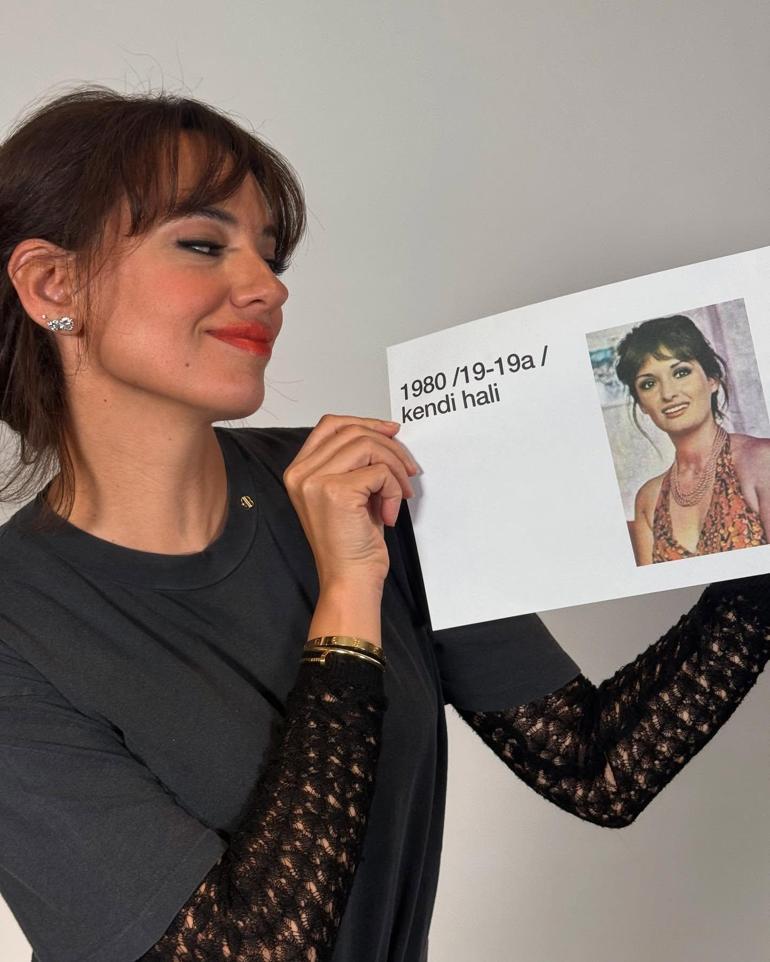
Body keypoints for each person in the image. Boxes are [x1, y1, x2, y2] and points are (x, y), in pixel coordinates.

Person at [0, 86, 767, 962]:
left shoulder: (368, 487)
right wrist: (349, 591)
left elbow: (594, 766)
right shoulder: (19, 626)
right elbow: (247, 951)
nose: (267, 288)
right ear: (53, 283)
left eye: (270, 255)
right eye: (204, 245)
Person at [615, 314, 770, 565]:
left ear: (712, 380)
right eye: (649, 384)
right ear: (642, 404)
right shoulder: (648, 499)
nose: (668, 393)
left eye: (680, 372)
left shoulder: (762, 461)